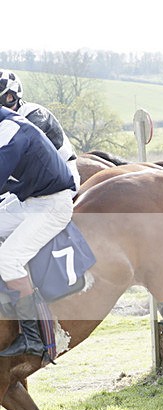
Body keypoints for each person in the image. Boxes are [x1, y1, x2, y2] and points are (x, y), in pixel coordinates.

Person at [0, 106, 76, 357]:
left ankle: (33, 338)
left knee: (8, 259)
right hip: (29, 202)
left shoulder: (9, 130)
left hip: (53, 205)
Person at [0, 70, 80, 191]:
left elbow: (13, 155)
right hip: (34, 178)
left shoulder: (33, 113)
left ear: (10, 97)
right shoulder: (9, 120)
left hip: (62, 179)